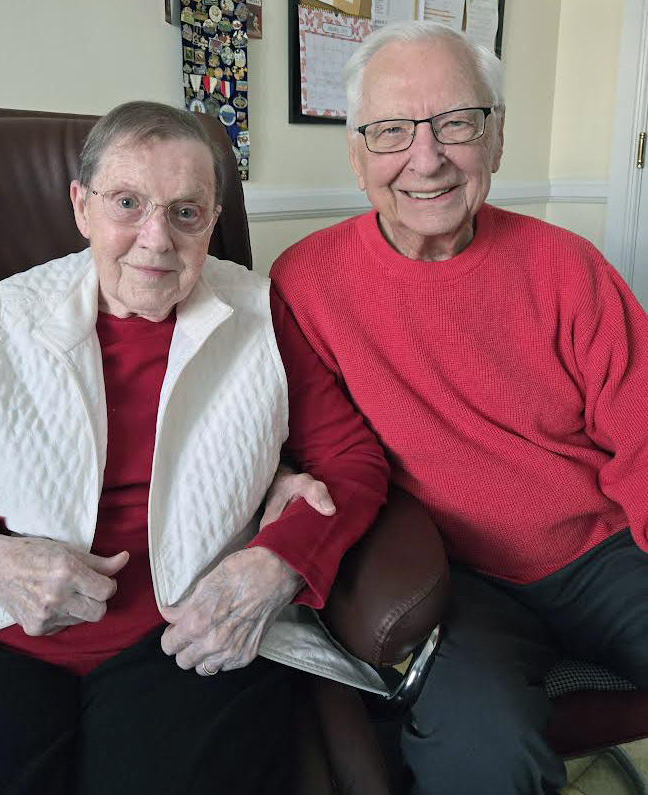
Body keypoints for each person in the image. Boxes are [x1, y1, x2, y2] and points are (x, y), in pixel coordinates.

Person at [0, 101, 390, 795]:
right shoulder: (6, 316)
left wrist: (278, 561)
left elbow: (354, 463)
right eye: (127, 203)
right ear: (81, 206)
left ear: (213, 220)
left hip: (189, 634)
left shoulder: (260, 314)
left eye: (185, 212)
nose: (155, 239)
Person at [269, 21, 648, 795]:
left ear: (496, 136)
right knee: (484, 750)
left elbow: (642, 430)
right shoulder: (304, 283)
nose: (427, 156)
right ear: (356, 153)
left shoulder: (567, 266)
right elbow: (312, 444)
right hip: (454, 577)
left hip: (602, 551)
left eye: (455, 122)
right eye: (391, 130)